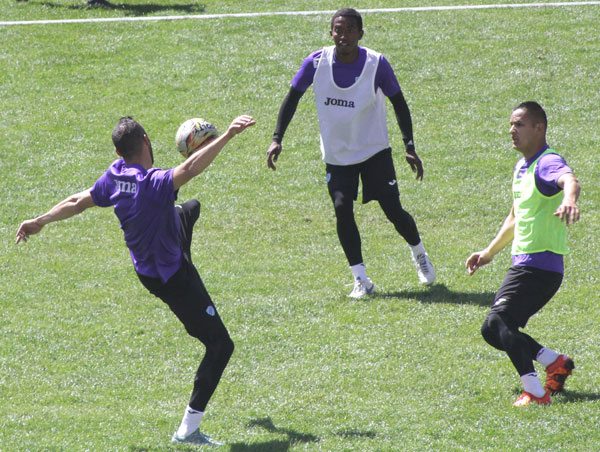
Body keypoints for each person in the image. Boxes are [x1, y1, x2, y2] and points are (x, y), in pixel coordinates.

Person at [16, 114, 256, 445]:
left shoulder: (115, 177)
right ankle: (188, 431)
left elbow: (77, 201)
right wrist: (227, 134)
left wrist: (40, 220)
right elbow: (190, 169)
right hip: (172, 278)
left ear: (119, 153)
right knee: (220, 346)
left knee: (190, 208)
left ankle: (177, 222)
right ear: (146, 141)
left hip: (146, 269)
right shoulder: (154, 183)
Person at [266, 8, 435, 299]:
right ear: (331, 33)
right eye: (338, 30)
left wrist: (409, 146)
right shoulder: (315, 63)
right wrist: (276, 138)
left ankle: (419, 253)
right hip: (338, 156)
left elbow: (399, 103)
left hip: (374, 151)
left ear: (360, 34)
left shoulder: (377, 64)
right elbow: (292, 98)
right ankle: (361, 279)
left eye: (349, 30)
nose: (343, 36)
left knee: (393, 210)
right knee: (342, 210)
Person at [466, 101, 580, 407]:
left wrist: (569, 199)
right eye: (510, 125)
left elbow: (570, 179)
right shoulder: (522, 167)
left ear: (539, 128)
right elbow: (515, 217)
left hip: (540, 266)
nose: (512, 130)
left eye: (519, 124)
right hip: (526, 264)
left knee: (498, 322)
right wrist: (488, 252)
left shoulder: (547, 162)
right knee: (493, 330)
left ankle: (535, 392)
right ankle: (555, 362)